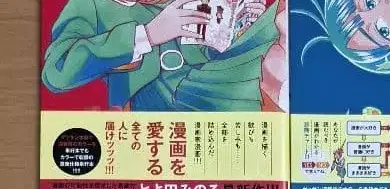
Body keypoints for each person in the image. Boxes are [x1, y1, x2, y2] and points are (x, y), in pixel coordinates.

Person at [42, 0, 287, 113]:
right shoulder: (89, 6)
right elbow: (56, 74)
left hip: (213, 98)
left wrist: (238, 27)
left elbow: (198, 54)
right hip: (146, 112)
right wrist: (146, 35)